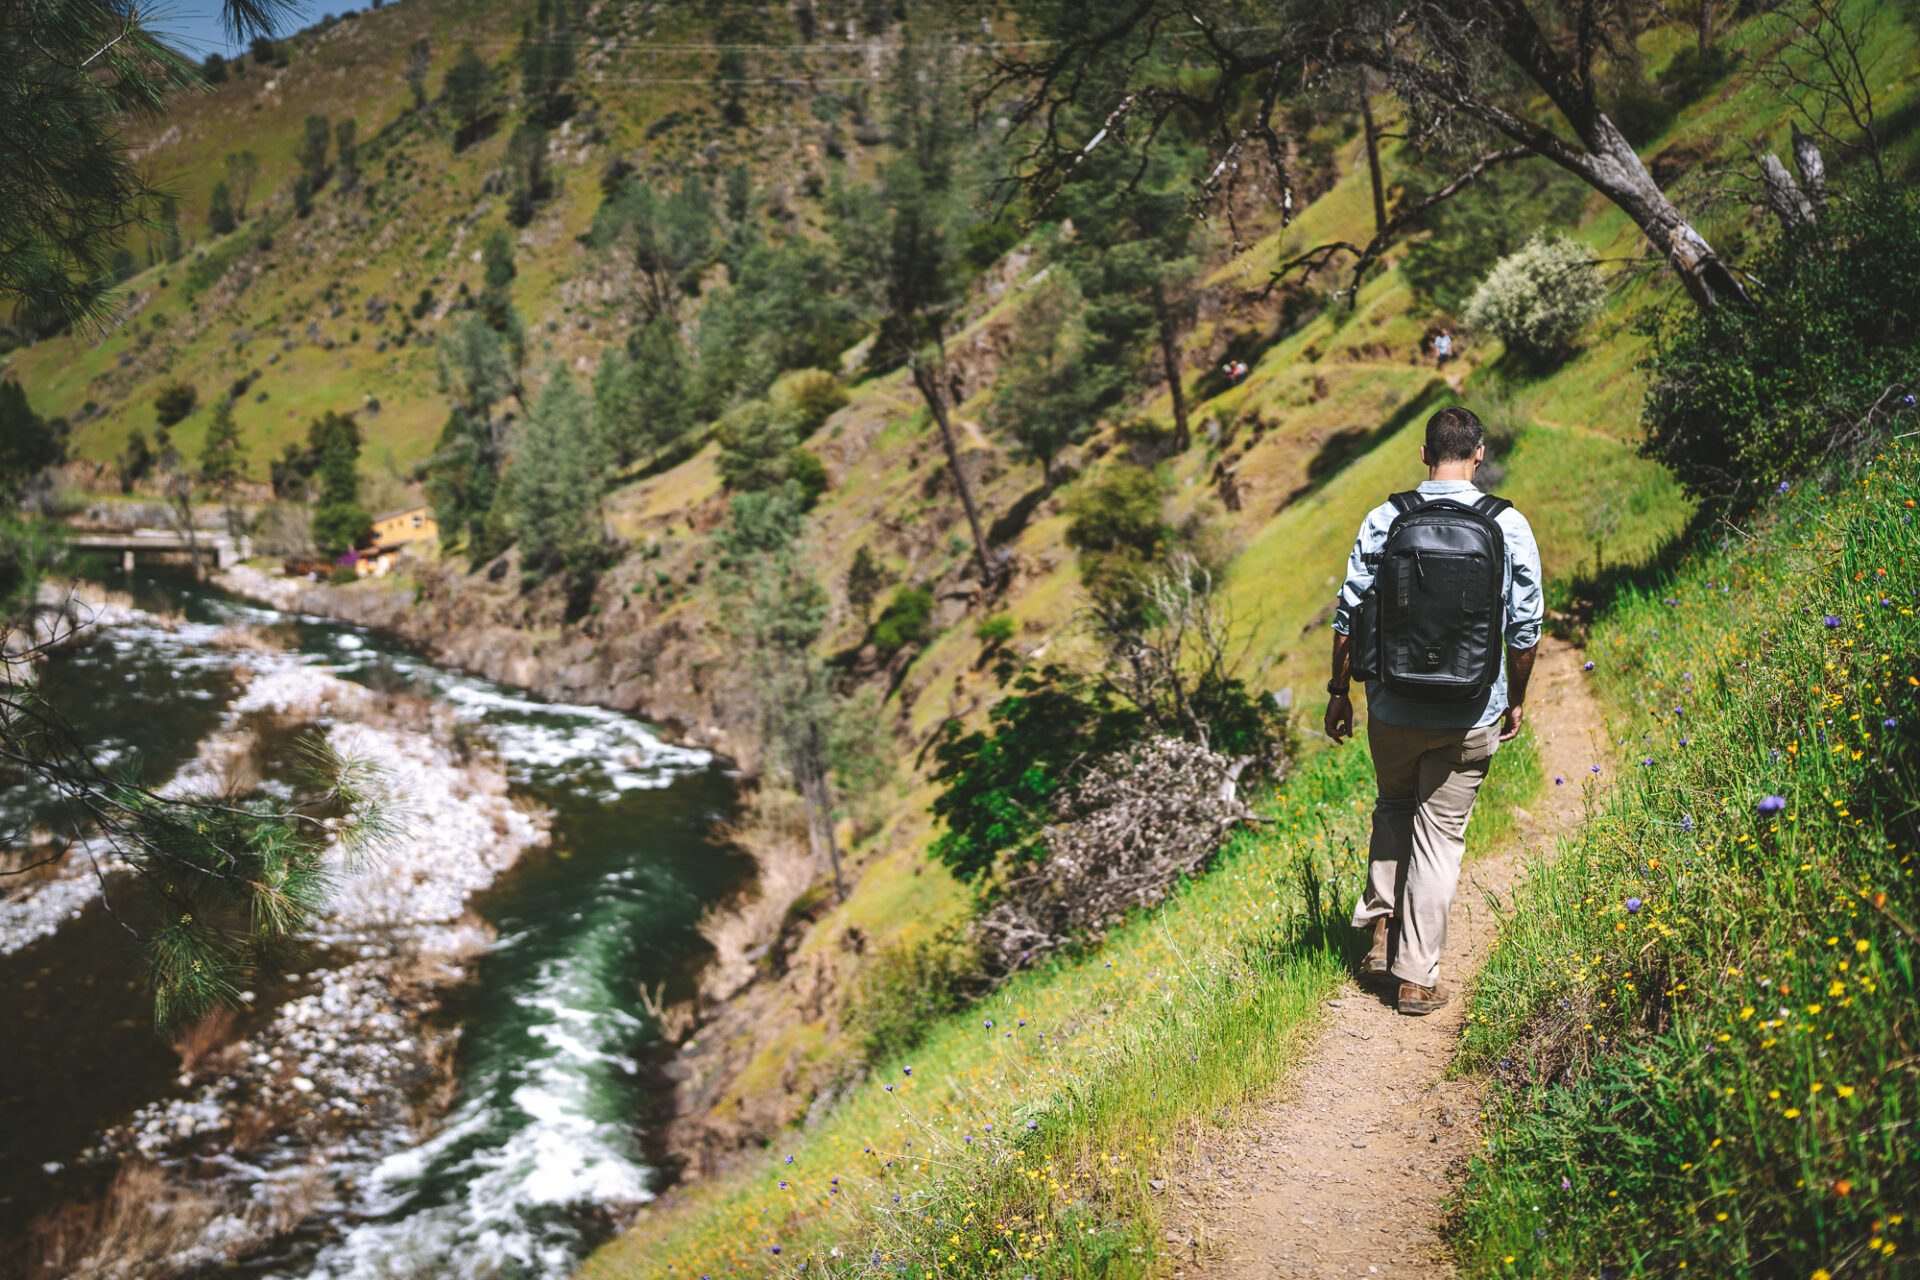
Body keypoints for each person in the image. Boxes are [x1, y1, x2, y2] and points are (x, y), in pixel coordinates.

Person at [1323, 406, 1542, 1015]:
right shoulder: (1509, 524)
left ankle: (1377, 937)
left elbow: (1348, 617)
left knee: (1393, 805)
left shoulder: (1386, 518)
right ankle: (1416, 978)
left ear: (1424, 454)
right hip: (1470, 712)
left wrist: (1339, 693)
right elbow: (1524, 629)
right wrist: (1516, 699)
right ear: (1478, 455)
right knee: (1440, 839)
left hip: (1392, 706)